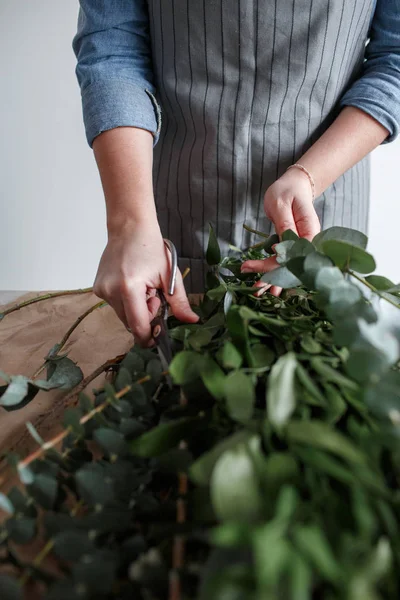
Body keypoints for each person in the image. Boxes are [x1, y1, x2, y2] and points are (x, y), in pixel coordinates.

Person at [72, 0, 400, 347]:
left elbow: (395, 59)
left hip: (321, 205)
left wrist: (308, 175)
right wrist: (128, 226)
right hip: (176, 207)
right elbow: (112, 50)